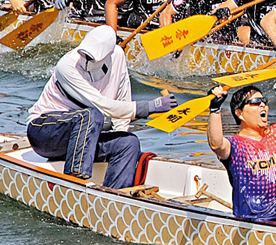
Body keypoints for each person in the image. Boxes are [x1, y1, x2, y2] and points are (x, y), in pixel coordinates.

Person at [26, 26, 171, 188]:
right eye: (84, 54)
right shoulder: (66, 66)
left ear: (108, 55)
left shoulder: (117, 57)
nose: (86, 60)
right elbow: (102, 106)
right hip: (44, 134)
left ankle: (115, 197)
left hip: (84, 138)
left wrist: (120, 137)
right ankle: (74, 182)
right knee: (91, 115)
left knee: (129, 142)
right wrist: (149, 106)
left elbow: (122, 106)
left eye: (91, 57)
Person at [205, 84, 276, 222]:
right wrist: (215, 110)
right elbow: (216, 144)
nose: (263, 105)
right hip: (251, 222)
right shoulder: (234, 145)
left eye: (264, 101)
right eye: (255, 102)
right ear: (239, 113)